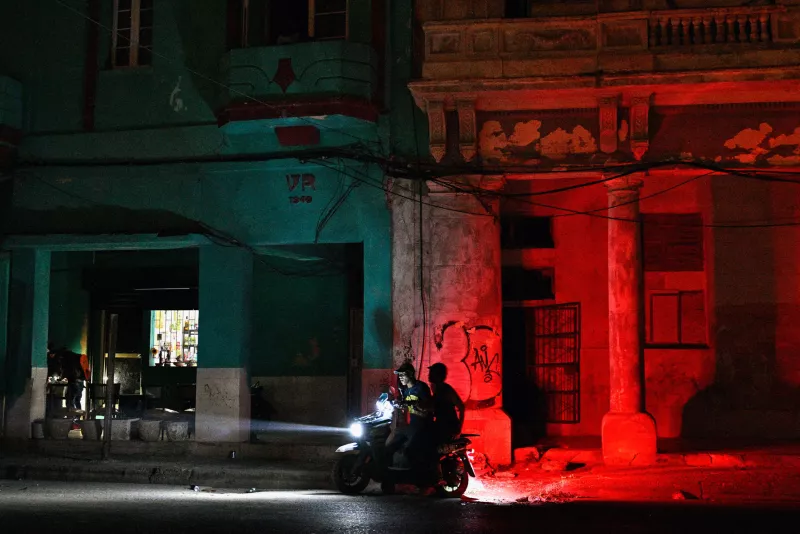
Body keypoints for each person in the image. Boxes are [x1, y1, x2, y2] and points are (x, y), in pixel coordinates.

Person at [385, 362, 433, 474]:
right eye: (399, 375)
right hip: (411, 426)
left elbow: (428, 406)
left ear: (411, 374)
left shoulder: (421, 387)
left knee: (409, 449)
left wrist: (414, 403)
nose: (400, 377)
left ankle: (418, 477)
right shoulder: (405, 390)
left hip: (423, 425)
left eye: (403, 374)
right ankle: (390, 475)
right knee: (391, 444)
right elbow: (404, 405)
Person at [427, 363, 465, 444]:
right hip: (441, 425)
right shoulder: (436, 388)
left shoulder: (447, 390)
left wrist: (459, 428)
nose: (429, 374)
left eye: (432, 372)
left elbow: (461, 407)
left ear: (438, 375)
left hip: (449, 427)